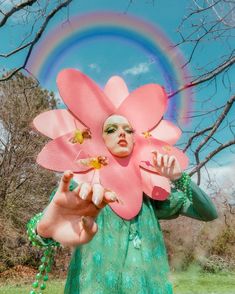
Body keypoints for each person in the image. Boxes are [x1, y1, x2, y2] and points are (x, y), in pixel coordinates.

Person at [27, 69, 218, 294]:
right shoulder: (81, 189)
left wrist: (180, 178)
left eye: (129, 130)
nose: (122, 134)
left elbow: (208, 213)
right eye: (112, 129)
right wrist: (44, 228)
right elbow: (40, 231)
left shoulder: (149, 197)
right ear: (98, 136)